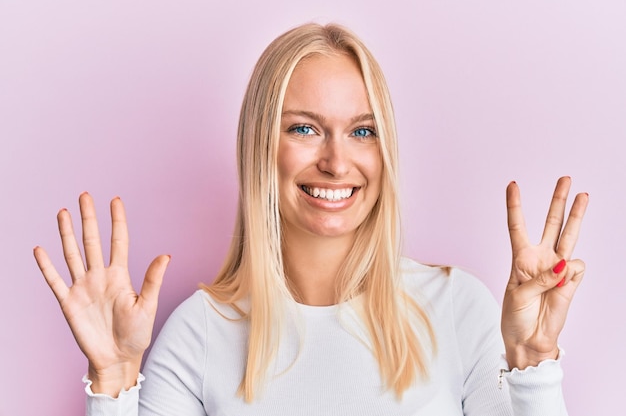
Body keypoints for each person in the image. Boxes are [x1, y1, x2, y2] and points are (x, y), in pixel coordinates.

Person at [34, 23, 588, 415]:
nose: (337, 161)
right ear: (260, 147)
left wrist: (534, 361)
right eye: (304, 128)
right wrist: (113, 378)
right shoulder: (200, 333)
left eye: (362, 131)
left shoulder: (457, 308)